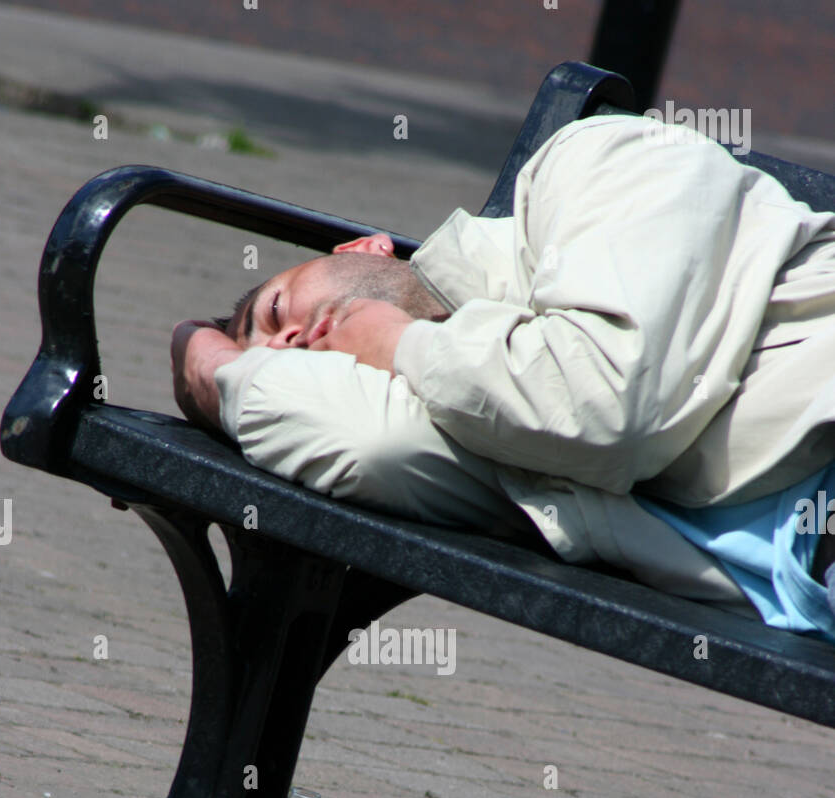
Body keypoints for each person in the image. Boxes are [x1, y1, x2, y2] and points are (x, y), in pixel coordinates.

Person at [170, 112, 835, 638]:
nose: (290, 341)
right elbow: (371, 443)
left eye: (277, 308)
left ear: (362, 248)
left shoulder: (598, 161)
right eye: (279, 358)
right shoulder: (466, 415)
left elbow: (602, 405)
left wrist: (405, 346)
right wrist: (211, 367)